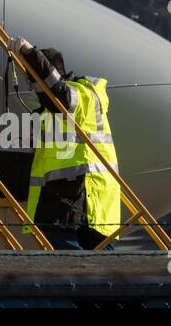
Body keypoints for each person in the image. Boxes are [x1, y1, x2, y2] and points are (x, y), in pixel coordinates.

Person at [14, 40, 121, 250]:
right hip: (68, 193)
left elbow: (60, 97)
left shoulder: (84, 94)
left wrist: (29, 53)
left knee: (70, 255)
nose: (30, 86)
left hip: (83, 190)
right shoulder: (49, 113)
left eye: (33, 78)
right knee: (91, 260)